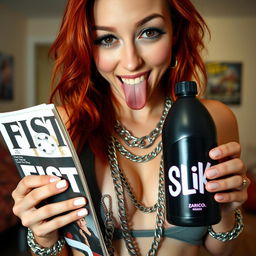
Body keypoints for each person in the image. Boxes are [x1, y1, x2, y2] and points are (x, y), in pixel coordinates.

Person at [11, 0, 250, 255]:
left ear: (176, 33)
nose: (131, 62)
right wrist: (42, 236)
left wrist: (226, 210)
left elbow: (224, 250)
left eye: (149, 32)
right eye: (107, 39)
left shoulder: (213, 118)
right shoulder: (62, 126)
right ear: (87, 48)